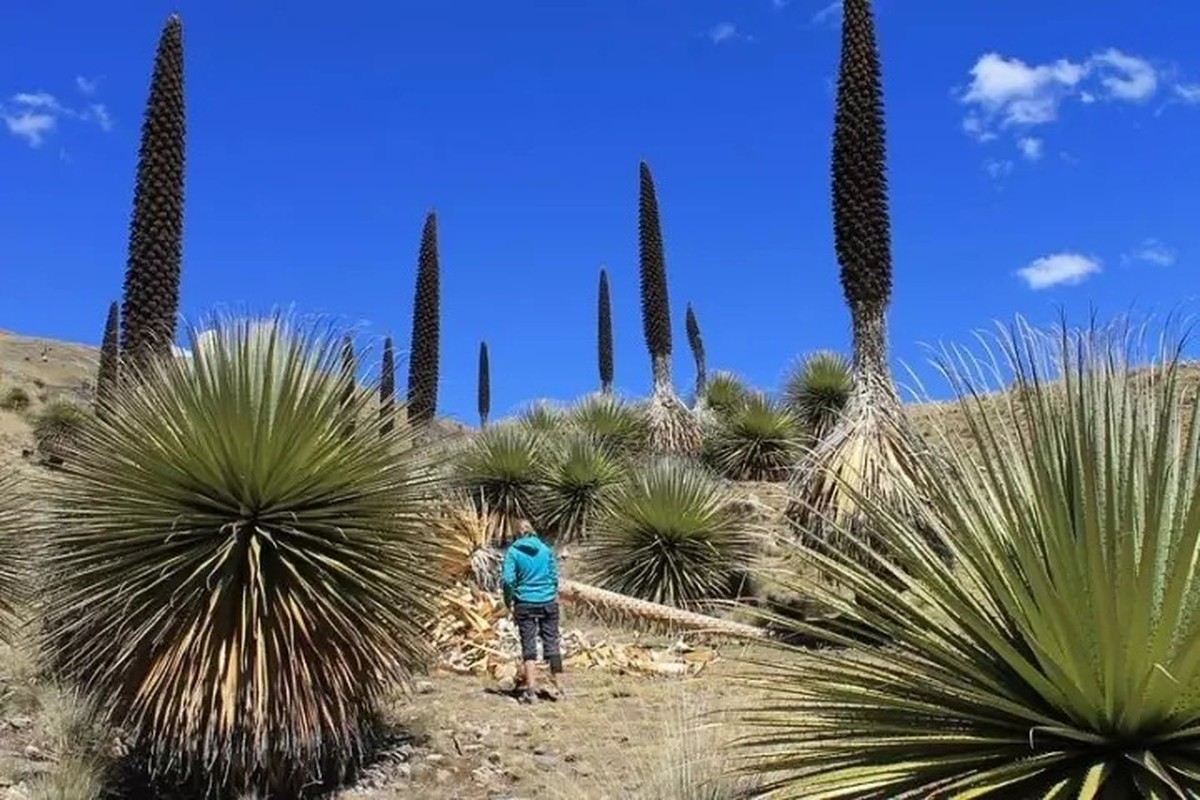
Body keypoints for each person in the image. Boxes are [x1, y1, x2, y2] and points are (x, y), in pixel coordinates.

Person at [501, 519, 564, 703]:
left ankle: (531, 690)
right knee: (552, 643)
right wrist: (551, 593)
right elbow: (554, 576)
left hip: (525, 602)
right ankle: (560, 688)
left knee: (528, 646)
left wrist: (508, 599)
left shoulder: (513, 552)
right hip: (548, 601)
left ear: (517, 533)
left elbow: (507, 580)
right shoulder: (545, 549)